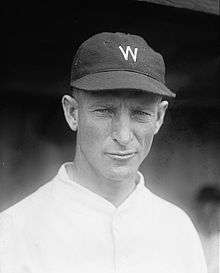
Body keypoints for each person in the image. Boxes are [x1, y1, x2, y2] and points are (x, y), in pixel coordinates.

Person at [0, 32, 207, 273]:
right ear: (72, 113)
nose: (123, 135)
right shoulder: (15, 230)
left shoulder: (177, 228)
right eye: (105, 111)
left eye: (140, 114)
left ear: (159, 117)